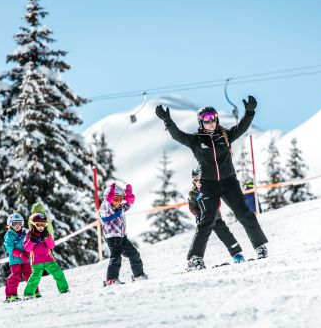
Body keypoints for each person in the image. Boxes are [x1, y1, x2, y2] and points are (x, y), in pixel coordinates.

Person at [155, 95, 268, 270]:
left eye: (214, 118)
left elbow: (242, 127)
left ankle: (260, 247)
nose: (211, 122)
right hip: (209, 184)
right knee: (206, 221)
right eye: (207, 119)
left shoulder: (224, 135)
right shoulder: (195, 140)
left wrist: (249, 112)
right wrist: (167, 120)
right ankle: (195, 258)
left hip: (229, 181)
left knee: (244, 214)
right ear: (201, 122)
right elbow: (177, 136)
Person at [188, 165, 245, 265]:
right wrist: (197, 214)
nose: (199, 183)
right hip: (203, 219)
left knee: (225, 234)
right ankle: (194, 258)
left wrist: (212, 210)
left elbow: (217, 203)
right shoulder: (193, 193)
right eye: (196, 180)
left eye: (201, 180)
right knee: (200, 236)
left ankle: (237, 254)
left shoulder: (211, 189)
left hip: (215, 217)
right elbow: (192, 206)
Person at [100, 182, 148, 285]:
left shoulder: (119, 208)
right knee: (116, 256)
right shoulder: (105, 207)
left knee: (134, 254)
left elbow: (128, 205)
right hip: (112, 237)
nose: (118, 202)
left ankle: (138, 275)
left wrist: (129, 197)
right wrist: (109, 198)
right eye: (116, 199)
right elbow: (107, 205)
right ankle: (111, 279)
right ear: (109, 198)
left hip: (121, 237)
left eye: (120, 199)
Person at [22, 212, 69, 299]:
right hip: (36, 262)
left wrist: (47, 238)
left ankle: (64, 289)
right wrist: (32, 240)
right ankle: (28, 294)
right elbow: (27, 248)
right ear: (33, 224)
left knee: (58, 273)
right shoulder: (29, 235)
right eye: (38, 224)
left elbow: (51, 246)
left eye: (43, 224)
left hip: (49, 260)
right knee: (35, 278)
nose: (41, 227)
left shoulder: (46, 234)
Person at [3, 212, 39, 302]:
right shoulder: (9, 235)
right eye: (14, 223)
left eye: (19, 223)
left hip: (26, 259)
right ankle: (11, 295)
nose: (17, 226)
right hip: (15, 261)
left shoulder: (25, 233)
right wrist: (20, 254)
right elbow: (9, 247)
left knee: (29, 274)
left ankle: (34, 291)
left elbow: (29, 243)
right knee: (15, 276)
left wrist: (28, 253)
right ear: (10, 225)